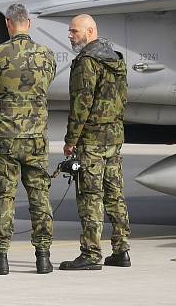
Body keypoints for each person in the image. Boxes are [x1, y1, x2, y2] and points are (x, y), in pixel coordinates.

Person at [0, 3, 57, 275]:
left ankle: (0, 258)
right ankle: (43, 257)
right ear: (29, 24)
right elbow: (46, 84)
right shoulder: (46, 55)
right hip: (36, 136)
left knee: (3, 195)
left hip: (5, 136)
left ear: (9, 24)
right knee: (39, 195)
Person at [59, 14, 131, 271]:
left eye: (74, 31)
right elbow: (123, 99)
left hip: (91, 140)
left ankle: (90, 253)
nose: (70, 35)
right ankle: (121, 250)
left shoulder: (86, 62)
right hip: (114, 137)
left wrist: (71, 140)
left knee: (90, 196)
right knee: (115, 194)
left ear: (90, 32)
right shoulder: (115, 59)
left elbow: (81, 104)